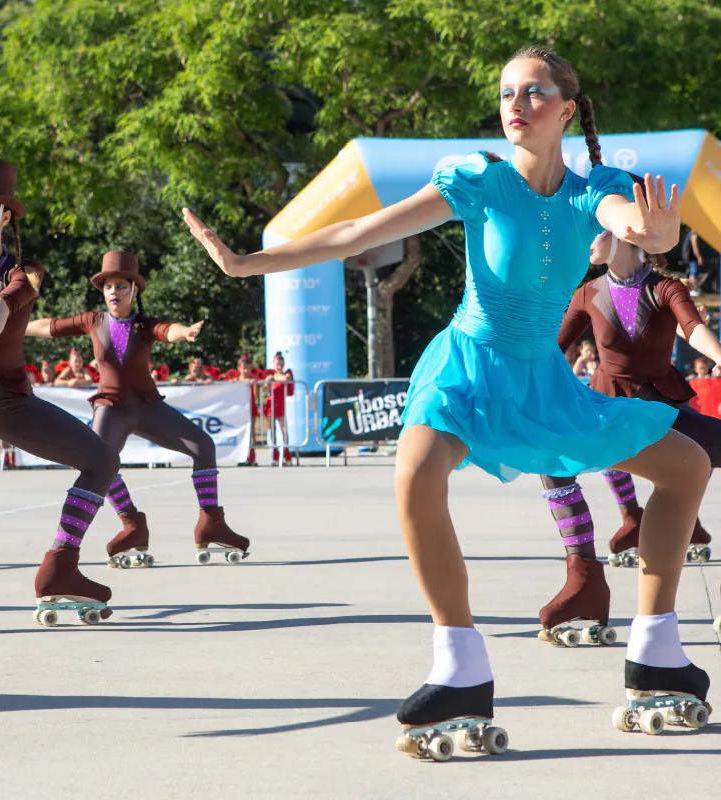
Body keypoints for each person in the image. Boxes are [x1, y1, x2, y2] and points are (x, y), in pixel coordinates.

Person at [183, 46, 712, 751]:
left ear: (564, 107)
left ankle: (656, 653)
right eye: (505, 94)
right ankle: (460, 667)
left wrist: (662, 233)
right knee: (416, 475)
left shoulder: (596, 190)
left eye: (532, 92)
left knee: (684, 467)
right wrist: (250, 262)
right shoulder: (480, 181)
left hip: (543, 380)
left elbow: (636, 224)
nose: (515, 105)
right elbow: (358, 231)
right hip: (466, 367)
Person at [0, 155, 120, 628]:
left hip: (13, 404)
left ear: (5, 217)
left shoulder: (25, 273)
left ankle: (60, 569)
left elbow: (4, 307)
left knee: (103, 460)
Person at [539, 217, 721, 646]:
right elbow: (551, 349)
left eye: (593, 230)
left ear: (622, 232)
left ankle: (677, 515)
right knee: (550, 454)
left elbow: (693, 329)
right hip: (608, 414)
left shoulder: (665, 288)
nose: (584, 241)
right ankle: (583, 579)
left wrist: (719, 355)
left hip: (663, 415)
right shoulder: (587, 292)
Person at [25, 250, 250, 568]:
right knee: (100, 461)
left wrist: (182, 333)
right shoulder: (93, 321)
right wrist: (11, 324)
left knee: (203, 445)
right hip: (110, 409)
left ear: (134, 289)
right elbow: (50, 326)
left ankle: (211, 523)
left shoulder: (145, 325)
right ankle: (132, 524)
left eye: (120, 286)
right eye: (108, 287)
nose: (113, 293)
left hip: (147, 407)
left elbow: (166, 330)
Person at [264, 351, 294, 465]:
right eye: (277, 364)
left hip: (280, 407)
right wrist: (268, 382)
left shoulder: (286, 373)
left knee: (284, 430)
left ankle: (287, 455)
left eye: (281, 364)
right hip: (270, 407)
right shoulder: (269, 373)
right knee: (273, 431)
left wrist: (275, 377)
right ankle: (275, 456)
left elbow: (286, 379)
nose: (280, 367)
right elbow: (266, 389)